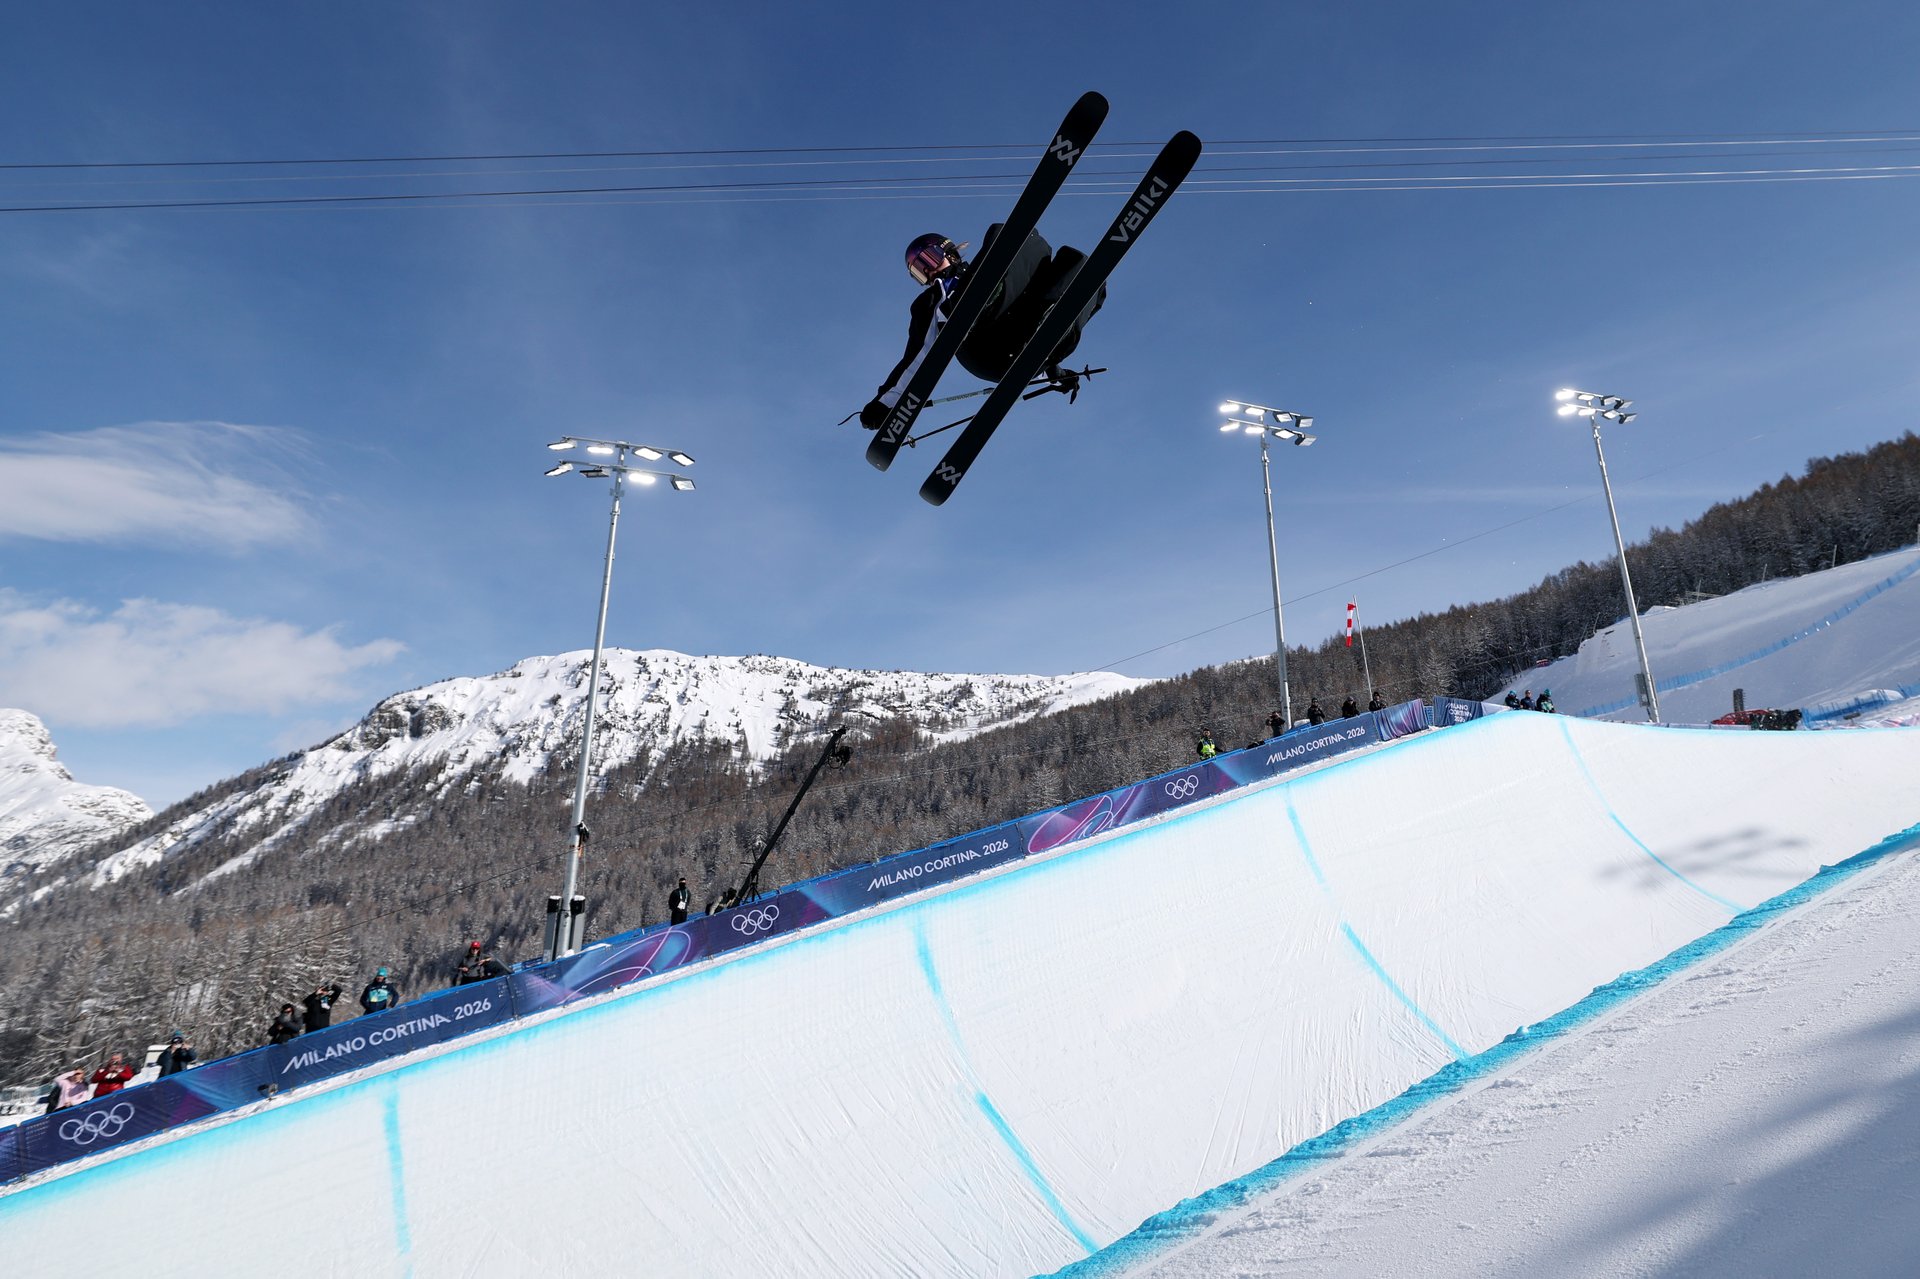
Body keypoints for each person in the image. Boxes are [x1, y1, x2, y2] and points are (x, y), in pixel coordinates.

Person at [859, 226, 1104, 429]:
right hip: (983, 350)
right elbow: (917, 353)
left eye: (928, 260)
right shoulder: (931, 300)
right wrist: (885, 403)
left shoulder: (969, 276)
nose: (929, 272)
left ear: (950, 252)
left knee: (1073, 264)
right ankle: (975, 305)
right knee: (1004, 236)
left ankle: (1051, 320)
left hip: (1017, 340)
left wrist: (1056, 375)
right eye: (919, 273)